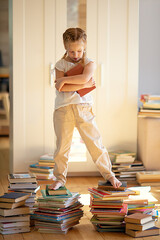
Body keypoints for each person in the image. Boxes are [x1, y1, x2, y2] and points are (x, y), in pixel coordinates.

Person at [49, 28, 122, 190]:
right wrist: (84, 83)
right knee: (62, 147)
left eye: (79, 51)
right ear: (65, 47)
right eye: (72, 51)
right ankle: (60, 178)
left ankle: (109, 174)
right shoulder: (60, 64)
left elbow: (75, 80)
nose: (76, 55)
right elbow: (63, 88)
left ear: (85, 47)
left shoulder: (89, 62)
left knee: (95, 143)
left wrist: (67, 81)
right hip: (63, 110)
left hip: (84, 109)